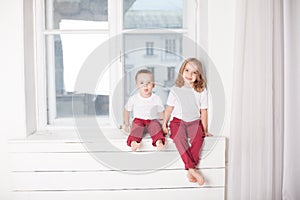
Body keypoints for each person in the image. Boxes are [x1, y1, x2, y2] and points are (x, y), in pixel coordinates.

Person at [162, 57, 212, 186]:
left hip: (194, 121)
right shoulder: (175, 89)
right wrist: (164, 124)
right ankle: (191, 169)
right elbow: (169, 109)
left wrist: (205, 129)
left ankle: (191, 169)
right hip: (178, 121)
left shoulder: (201, 90)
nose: (189, 75)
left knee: (198, 138)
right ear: (182, 71)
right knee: (179, 138)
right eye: (187, 70)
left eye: (194, 72)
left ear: (199, 75)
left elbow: (204, 111)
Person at [124, 69, 166, 151]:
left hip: (152, 120)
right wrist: (126, 124)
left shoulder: (156, 98)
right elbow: (126, 110)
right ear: (137, 85)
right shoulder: (134, 98)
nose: (145, 86)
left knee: (156, 128)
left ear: (153, 85)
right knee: (136, 129)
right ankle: (134, 143)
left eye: (149, 83)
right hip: (139, 120)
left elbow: (162, 113)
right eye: (142, 83)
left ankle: (159, 142)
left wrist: (164, 124)